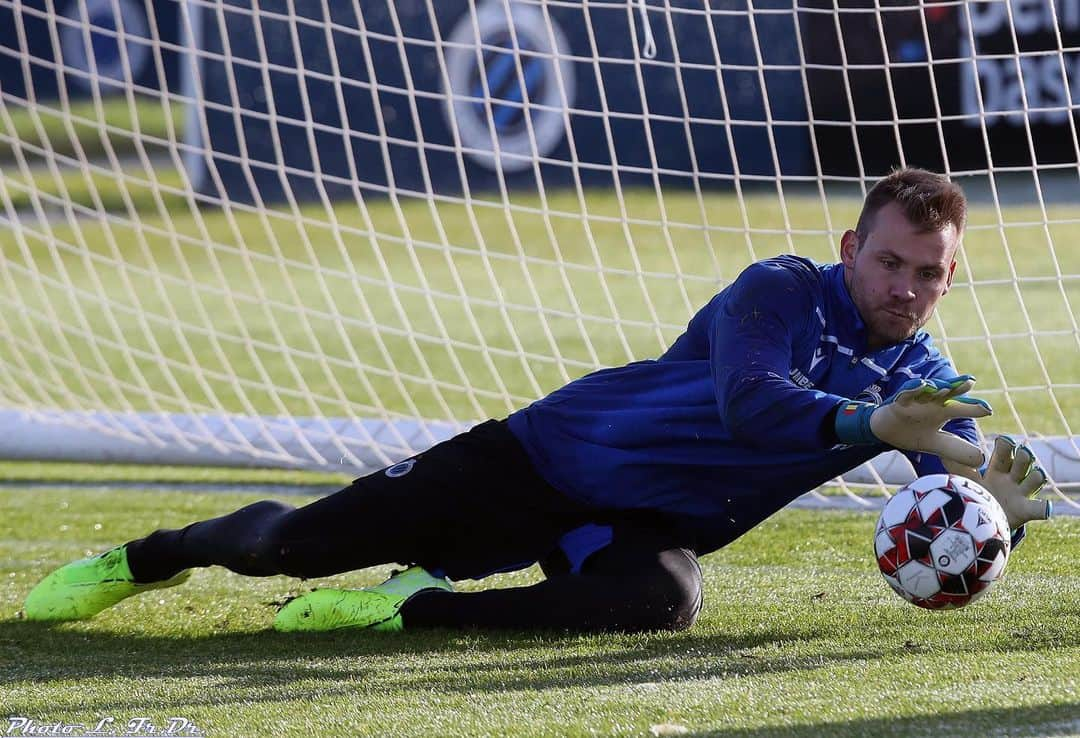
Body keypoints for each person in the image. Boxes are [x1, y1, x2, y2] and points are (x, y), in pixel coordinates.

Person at [23, 167, 1053, 633]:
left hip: (639, 520)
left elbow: (954, 484)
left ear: (949, 281)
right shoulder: (779, 289)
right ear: (851, 250)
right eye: (890, 261)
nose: (904, 286)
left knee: (661, 603)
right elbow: (750, 405)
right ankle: (146, 557)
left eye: (927, 272)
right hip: (539, 461)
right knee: (280, 546)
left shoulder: (924, 379)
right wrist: (865, 425)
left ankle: (414, 609)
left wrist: (999, 510)